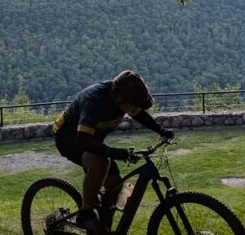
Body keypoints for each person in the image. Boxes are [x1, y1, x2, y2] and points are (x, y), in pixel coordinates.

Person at [52, 70, 174, 234]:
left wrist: (160, 130)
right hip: (69, 138)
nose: (134, 108)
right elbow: (83, 139)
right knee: (101, 163)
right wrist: (113, 152)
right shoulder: (94, 100)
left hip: (91, 139)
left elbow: (140, 115)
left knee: (115, 184)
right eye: (133, 104)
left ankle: (103, 225)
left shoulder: (124, 99)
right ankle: (85, 214)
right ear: (119, 97)